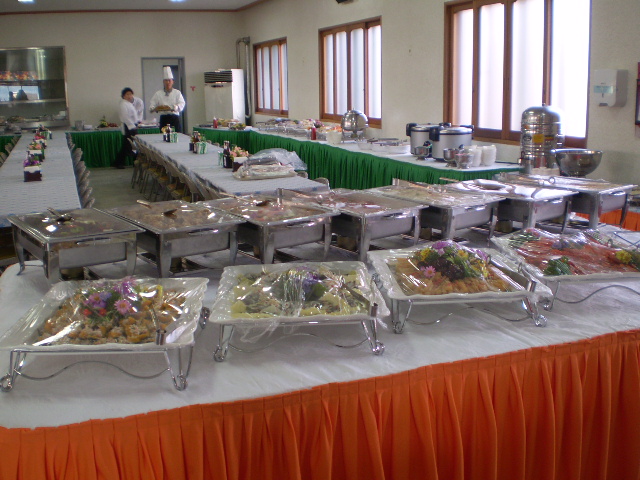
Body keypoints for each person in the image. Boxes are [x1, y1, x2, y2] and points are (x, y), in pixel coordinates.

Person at [149, 66, 185, 133]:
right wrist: (154, 108)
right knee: (164, 136)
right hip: (164, 118)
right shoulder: (158, 94)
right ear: (163, 82)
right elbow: (152, 105)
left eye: (169, 80)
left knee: (176, 135)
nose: (168, 82)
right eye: (166, 80)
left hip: (174, 118)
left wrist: (175, 107)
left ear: (173, 82)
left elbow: (182, 104)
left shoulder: (177, 93)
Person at [115, 87, 140, 169]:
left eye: (131, 94)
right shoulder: (123, 104)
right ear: (123, 96)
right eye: (127, 94)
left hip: (132, 126)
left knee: (132, 145)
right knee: (127, 145)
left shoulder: (129, 103)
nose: (129, 96)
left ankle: (135, 161)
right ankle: (119, 162)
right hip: (128, 127)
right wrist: (132, 126)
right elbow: (125, 117)